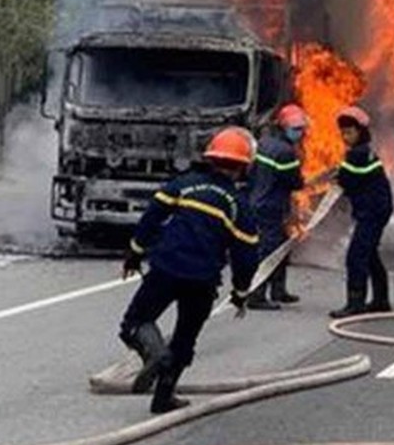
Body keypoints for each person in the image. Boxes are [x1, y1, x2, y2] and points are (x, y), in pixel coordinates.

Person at [119, 127, 260, 414]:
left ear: (210, 158)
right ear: (243, 167)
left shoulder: (183, 185)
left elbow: (152, 216)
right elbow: (247, 255)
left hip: (167, 267)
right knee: (185, 338)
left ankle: (154, 354)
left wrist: (135, 251)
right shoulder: (238, 206)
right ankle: (163, 398)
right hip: (203, 279)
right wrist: (241, 292)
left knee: (135, 322)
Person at [330, 105, 394, 318]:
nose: (345, 136)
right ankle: (381, 300)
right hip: (375, 208)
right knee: (370, 254)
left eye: (349, 132)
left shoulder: (358, 153)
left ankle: (355, 303)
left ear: (361, 132)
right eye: (343, 132)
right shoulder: (364, 151)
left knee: (356, 256)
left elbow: (347, 180)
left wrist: (338, 177)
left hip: (372, 211)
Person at [246, 104, 307, 311]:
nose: (300, 133)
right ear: (283, 126)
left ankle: (279, 290)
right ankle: (257, 295)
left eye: (301, 128)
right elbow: (295, 182)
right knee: (270, 251)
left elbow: (251, 172)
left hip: (258, 201)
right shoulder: (285, 152)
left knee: (281, 247)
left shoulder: (263, 143)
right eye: (296, 129)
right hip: (271, 207)